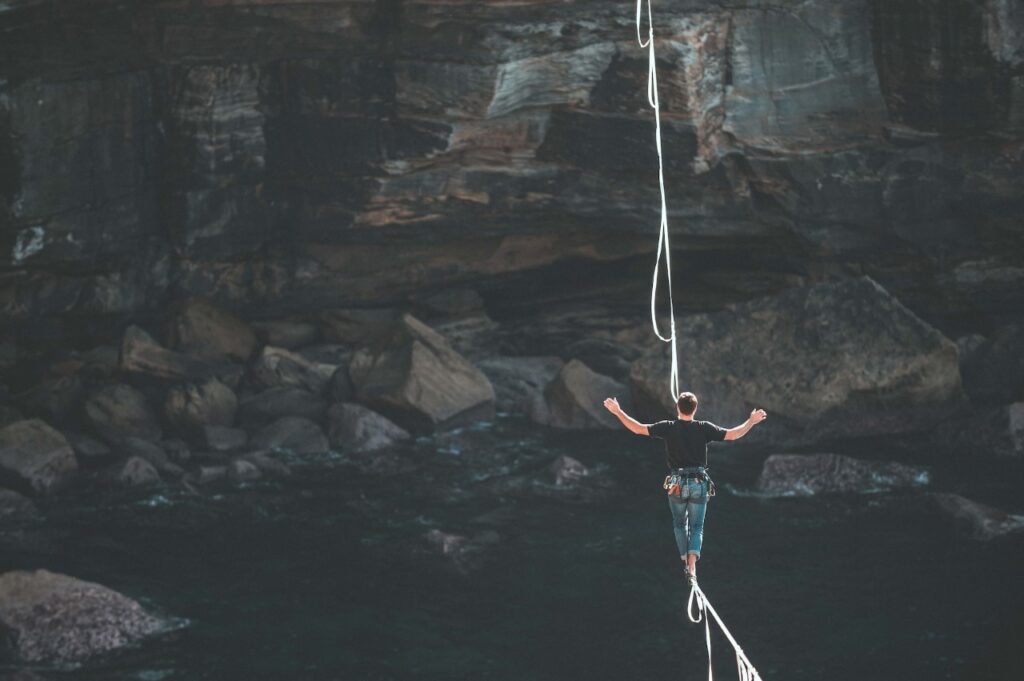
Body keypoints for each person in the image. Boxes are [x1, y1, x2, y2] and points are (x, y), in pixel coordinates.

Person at [603, 392, 766, 585]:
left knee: (680, 524)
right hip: (698, 482)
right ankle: (692, 567)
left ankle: (684, 561)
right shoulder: (704, 427)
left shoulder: (668, 427)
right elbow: (732, 434)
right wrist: (751, 422)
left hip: (677, 483)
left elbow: (638, 428)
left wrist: (618, 412)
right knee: (697, 527)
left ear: (677, 408)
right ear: (695, 409)